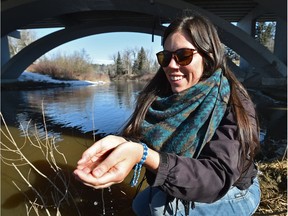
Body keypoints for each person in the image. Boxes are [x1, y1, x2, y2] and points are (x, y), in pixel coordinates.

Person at [74, 13, 261, 215]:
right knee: (139, 206)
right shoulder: (160, 94)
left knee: (160, 209)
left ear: (208, 57)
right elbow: (139, 139)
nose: (171, 65)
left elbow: (217, 177)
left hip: (235, 191)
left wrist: (144, 155)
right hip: (186, 180)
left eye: (183, 56)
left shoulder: (233, 101)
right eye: (165, 56)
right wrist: (118, 148)